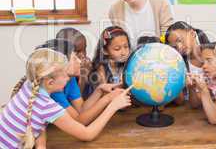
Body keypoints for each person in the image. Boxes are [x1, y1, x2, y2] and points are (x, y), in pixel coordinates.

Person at [0, 48, 132, 149]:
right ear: (50, 83)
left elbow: (38, 122)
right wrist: (113, 106)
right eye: (65, 76)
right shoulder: (47, 106)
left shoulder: (30, 85)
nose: (68, 78)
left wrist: (41, 146)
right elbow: (87, 134)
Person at [165, 21, 210, 105]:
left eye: (180, 40)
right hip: (191, 111)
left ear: (192, 33)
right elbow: (180, 101)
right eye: (175, 46)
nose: (179, 47)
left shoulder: (214, 54)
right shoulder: (179, 65)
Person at [83, 26, 131, 98]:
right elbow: (105, 96)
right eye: (117, 49)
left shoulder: (130, 65)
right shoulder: (100, 69)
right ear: (105, 51)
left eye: (126, 47)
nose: (123, 52)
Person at [186, 42, 216, 109]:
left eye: (209, 60)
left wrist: (204, 89)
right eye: (203, 62)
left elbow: (215, 115)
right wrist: (192, 88)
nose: (204, 66)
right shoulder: (209, 80)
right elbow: (195, 105)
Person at [56, 28, 92, 93]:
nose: (83, 55)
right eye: (77, 51)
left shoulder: (82, 68)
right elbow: (77, 101)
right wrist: (83, 77)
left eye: (84, 49)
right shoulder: (57, 78)